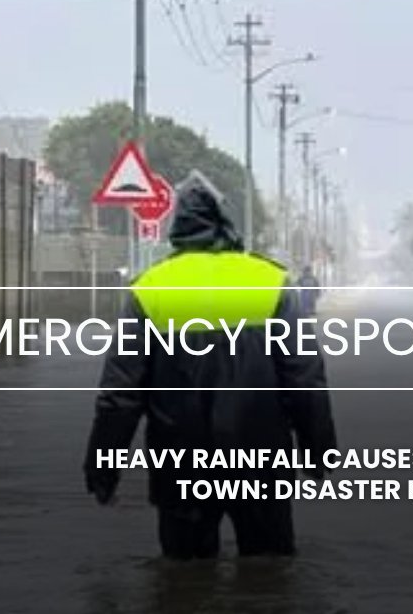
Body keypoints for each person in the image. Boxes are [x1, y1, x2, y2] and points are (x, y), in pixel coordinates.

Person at [83, 170, 337, 560]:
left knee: (183, 578)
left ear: (177, 228)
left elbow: (121, 394)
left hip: (180, 461)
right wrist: (318, 453)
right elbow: (304, 378)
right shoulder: (271, 282)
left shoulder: (150, 288)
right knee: (269, 574)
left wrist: (103, 470)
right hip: (261, 460)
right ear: (228, 224)